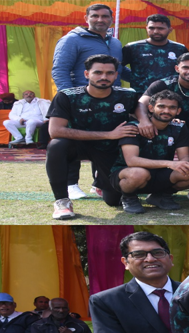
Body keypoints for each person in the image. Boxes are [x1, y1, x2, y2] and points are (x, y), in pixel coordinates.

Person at [46, 54, 146, 220]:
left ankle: (101, 182)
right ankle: (62, 201)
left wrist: (144, 120)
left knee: (114, 201)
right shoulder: (67, 96)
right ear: (87, 74)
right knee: (57, 145)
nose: (104, 77)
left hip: (109, 149)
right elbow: (55, 131)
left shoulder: (127, 95)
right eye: (98, 72)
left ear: (116, 75)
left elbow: (140, 105)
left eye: (109, 73)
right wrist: (109, 134)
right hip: (78, 145)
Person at [111, 90, 189, 214]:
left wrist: (185, 164)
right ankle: (129, 197)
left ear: (178, 111)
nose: (166, 111)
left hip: (161, 173)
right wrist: (170, 163)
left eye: (172, 107)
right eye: (161, 106)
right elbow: (131, 161)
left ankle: (161, 195)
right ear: (151, 108)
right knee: (138, 173)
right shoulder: (134, 127)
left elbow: (185, 156)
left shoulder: (179, 127)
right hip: (129, 173)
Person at [52, 4, 126, 91]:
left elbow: (120, 69)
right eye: (95, 16)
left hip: (113, 95)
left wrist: (139, 77)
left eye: (105, 16)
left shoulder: (115, 42)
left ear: (112, 19)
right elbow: (60, 70)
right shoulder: (72, 40)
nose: (100, 20)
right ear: (86, 18)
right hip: (83, 95)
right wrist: (69, 95)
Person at [121, 14, 189, 95]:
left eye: (161, 28)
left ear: (170, 30)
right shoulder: (132, 47)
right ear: (146, 28)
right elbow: (117, 67)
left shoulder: (180, 48)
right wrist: (134, 79)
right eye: (151, 28)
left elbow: (188, 69)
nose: (156, 31)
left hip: (171, 96)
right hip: (140, 96)